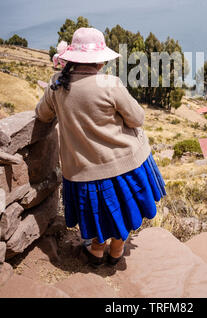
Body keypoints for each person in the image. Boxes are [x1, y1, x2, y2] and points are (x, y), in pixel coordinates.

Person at [35, 27, 166, 266]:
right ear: (99, 59)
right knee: (122, 209)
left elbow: (41, 115)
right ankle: (117, 249)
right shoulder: (110, 84)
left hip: (83, 170)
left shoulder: (56, 85)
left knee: (98, 212)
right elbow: (137, 118)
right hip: (124, 163)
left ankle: (96, 249)